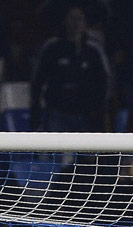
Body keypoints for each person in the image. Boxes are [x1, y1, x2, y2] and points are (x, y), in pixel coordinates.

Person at [30, 4, 111, 132]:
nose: (76, 23)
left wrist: (98, 110)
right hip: (58, 113)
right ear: (65, 21)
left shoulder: (94, 50)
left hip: (86, 115)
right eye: (72, 18)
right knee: (58, 149)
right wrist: (36, 110)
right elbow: (38, 81)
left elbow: (104, 81)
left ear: (85, 22)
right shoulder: (52, 48)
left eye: (79, 19)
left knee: (85, 150)